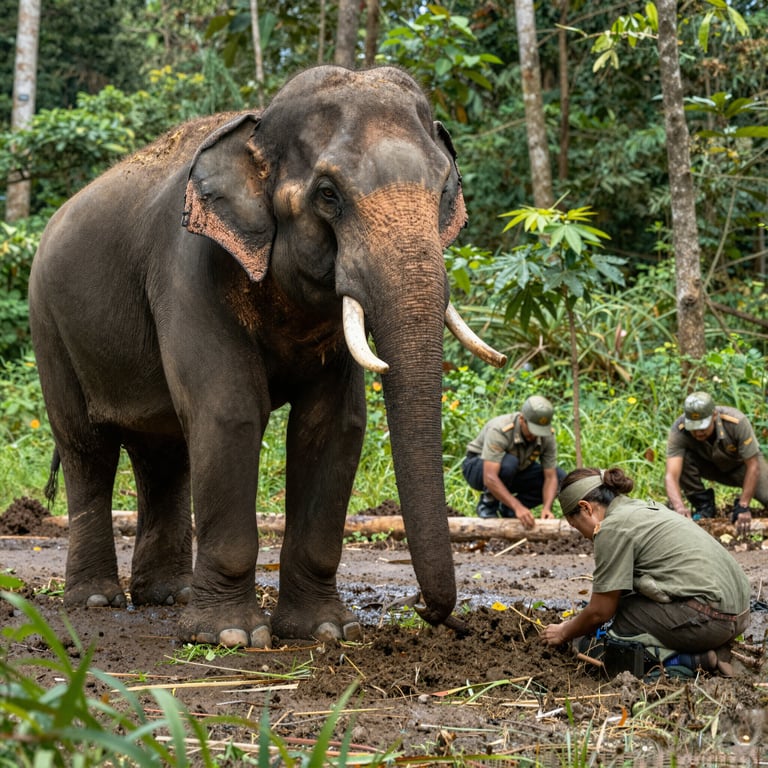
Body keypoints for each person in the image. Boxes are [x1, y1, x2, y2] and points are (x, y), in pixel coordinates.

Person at [542, 467, 750, 677]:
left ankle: (688, 661)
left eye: (577, 526)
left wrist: (564, 631)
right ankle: (711, 650)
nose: (584, 536)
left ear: (586, 508)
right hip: (739, 613)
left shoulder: (611, 528)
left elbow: (600, 611)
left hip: (714, 619)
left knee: (619, 620)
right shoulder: (641, 508)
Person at [664, 391, 768, 533]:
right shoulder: (680, 429)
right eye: (694, 428)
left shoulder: (736, 422)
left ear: (714, 415)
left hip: (741, 466)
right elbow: (671, 475)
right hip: (709, 466)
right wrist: (679, 508)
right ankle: (704, 506)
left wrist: (744, 506)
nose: (698, 433)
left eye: (702, 427)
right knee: (682, 459)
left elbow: (753, 465)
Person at [461, 395, 566, 529]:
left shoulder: (547, 435)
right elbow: (489, 477)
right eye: (533, 430)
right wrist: (518, 506)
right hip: (478, 468)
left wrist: (547, 508)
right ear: (522, 420)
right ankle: (488, 505)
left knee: (561, 477)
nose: (535, 436)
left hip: (517, 470)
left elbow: (550, 476)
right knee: (509, 463)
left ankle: (509, 510)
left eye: (540, 431)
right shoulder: (500, 429)